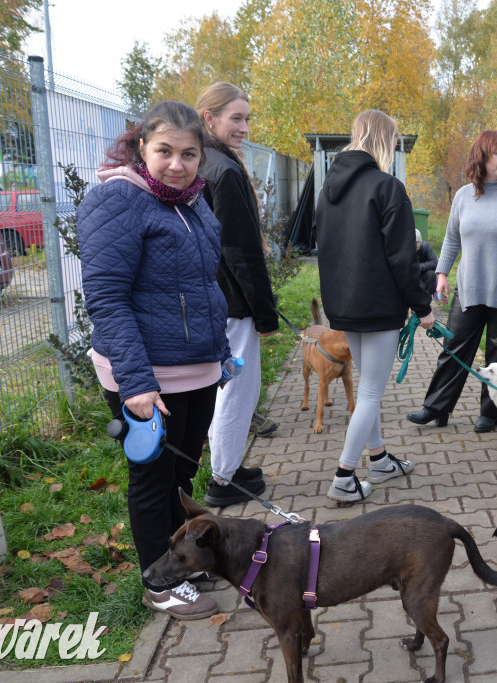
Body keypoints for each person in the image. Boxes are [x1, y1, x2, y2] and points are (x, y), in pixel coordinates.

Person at [78, 100, 229, 620]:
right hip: (146, 375)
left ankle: (180, 563)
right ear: (142, 147)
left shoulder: (194, 202)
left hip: (196, 370)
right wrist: (136, 383)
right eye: (164, 151)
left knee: (181, 477)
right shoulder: (117, 200)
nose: (176, 165)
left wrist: (221, 353)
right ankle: (157, 584)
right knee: (152, 481)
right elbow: (107, 298)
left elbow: (203, 286)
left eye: (189, 154)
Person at [315, 110, 435, 503]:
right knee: (370, 392)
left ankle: (379, 459)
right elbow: (402, 259)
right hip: (379, 307)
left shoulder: (328, 190)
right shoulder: (388, 187)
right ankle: (344, 477)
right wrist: (423, 308)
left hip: (345, 306)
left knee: (368, 386)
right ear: (384, 140)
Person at [407, 130, 497, 433]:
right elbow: (452, 238)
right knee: (453, 348)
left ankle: (490, 414)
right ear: (481, 157)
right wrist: (441, 274)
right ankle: (436, 408)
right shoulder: (464, 196)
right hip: (469, 288)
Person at [195, 82, 278, 506]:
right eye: (236, 118)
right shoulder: (224, 171)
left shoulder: (203, 161)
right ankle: (223, 481)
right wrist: (265, 312)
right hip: (232, 301)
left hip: (211, 297)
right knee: (237, 389)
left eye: (247, 118)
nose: (244, 127)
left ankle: (224, 465)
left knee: (221, 386)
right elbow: (241, 251)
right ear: (209, 118)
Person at [414, 228, 438, 296]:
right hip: (408, 276)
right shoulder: (405, 250)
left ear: (420, 242)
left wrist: (418, 267)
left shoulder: (425, 247)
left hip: (422, 275)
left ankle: (427, 298)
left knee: (431, 275)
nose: (415, 245)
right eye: (413, 242)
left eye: (417, 242)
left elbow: (435, 262)